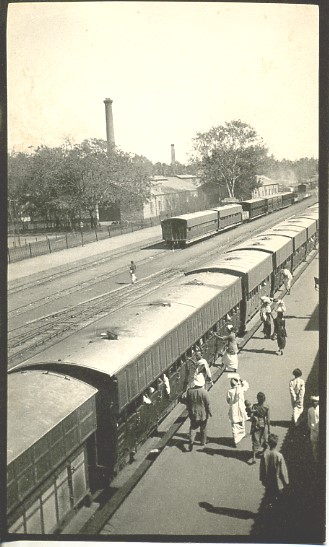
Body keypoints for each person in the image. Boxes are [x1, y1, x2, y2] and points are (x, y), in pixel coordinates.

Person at [259, 433, 289, 509]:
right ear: (276, 443)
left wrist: (262, 479)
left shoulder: (265, 454)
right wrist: (286, 482)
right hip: (278, 482)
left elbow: (262, 469)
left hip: (268, 481)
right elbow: (283, 471)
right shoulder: (279, 456)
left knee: (269, 497)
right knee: (279, 499)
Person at [185, 373, 212, 451]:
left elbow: (187, 402)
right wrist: (210, 412)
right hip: (203, 414)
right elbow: (207, 404)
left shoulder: (189, 391)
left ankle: (191, 440)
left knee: (193, 428)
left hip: (193, 413)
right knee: (203, 428)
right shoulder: (204, 392)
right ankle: (203, 442)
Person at [226, 376, 249, 447]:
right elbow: (246, 386)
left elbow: (228, 401)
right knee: (242, 422)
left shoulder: (229, 392)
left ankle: (236, 439)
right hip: (241, 408)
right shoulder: (240, 390)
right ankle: (242, 434)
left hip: (234, 409)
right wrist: (241, 380)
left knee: (234, 425)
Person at [249, 392, 271, 464]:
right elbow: (268, 420)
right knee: (264, 440)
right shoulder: (266, 407)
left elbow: (251, 415)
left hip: (256, 425)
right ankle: (263, 452)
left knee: (255, 440)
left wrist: (254, 416)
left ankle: (254, 457)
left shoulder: (254, 406)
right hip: (263, 425)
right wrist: (269, 429)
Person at [307, 395, 319, 462]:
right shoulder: (310, 410)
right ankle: (316, 459)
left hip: (320, 430)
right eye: (313, 401)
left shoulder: (320, 409)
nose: (314, 403)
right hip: (313, 430)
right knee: (314, 446)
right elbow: (309, 420)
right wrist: (310, 428)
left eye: (316, 401)